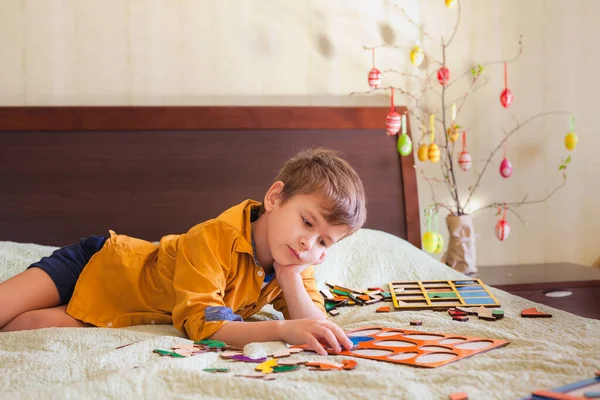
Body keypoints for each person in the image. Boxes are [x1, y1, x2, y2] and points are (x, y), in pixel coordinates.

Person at [0, 148, 367, 355]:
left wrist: (289, 278)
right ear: (275, 198)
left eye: (324, 242)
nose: (309, 244)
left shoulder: (295, 259)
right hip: (100, 263)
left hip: (122, 304)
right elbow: (204, 326)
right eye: (306, 223)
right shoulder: (214, 237)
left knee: (31, 326)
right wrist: (285, 329)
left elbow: (317, 327)